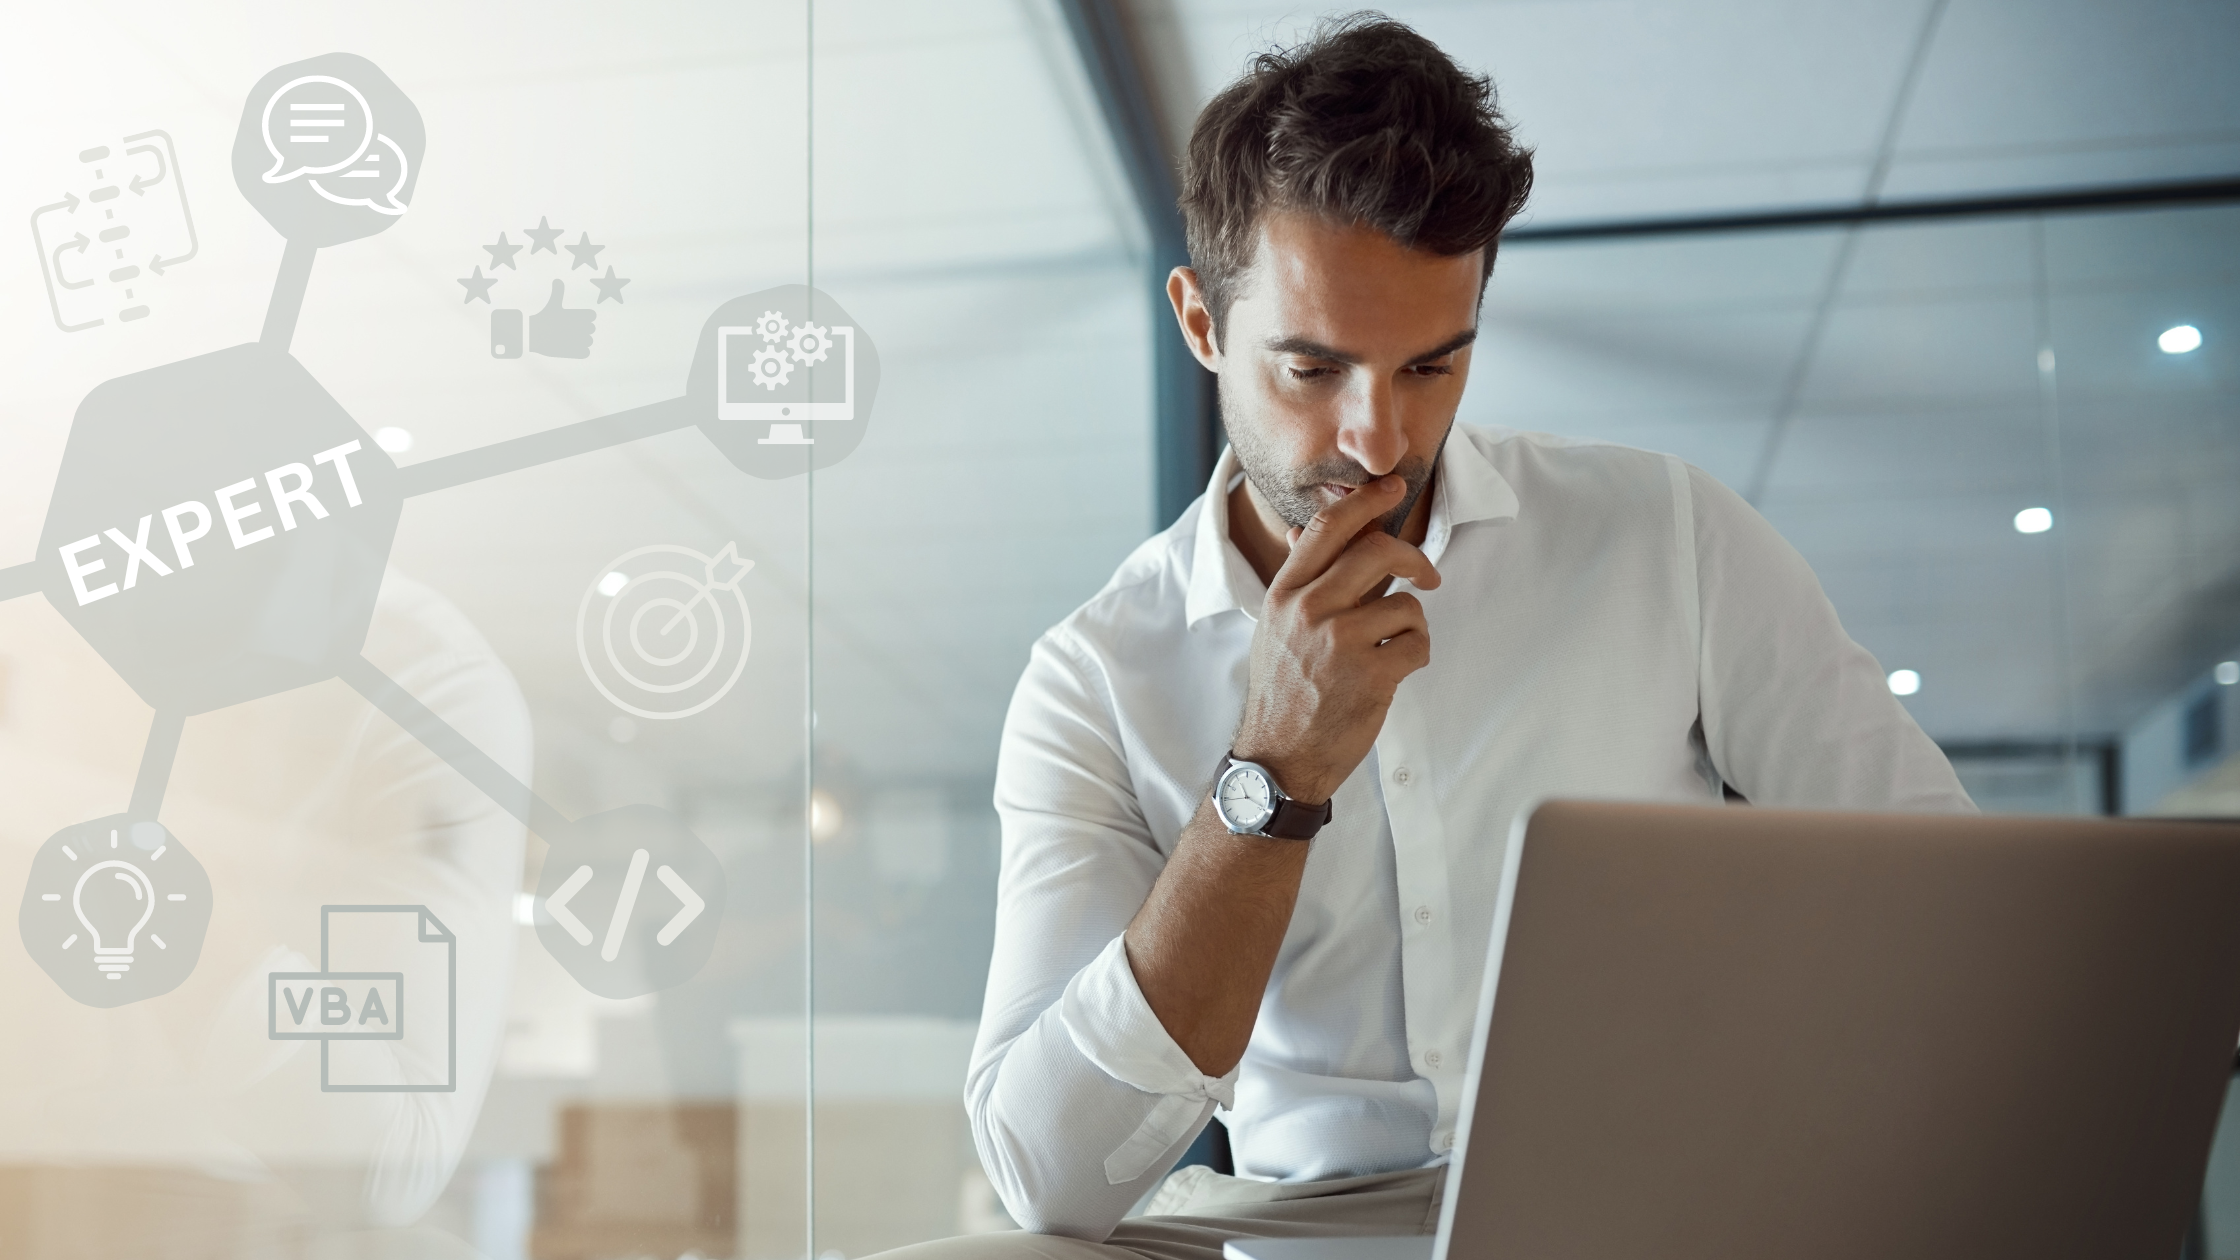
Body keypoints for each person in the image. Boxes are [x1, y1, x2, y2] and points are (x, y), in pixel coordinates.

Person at [892, 14, 1972, 1258]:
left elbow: (1943, 923)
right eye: (1312, 371)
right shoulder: (1093, 683)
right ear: (1199, 325)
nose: (1379, 440)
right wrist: (1273, 775)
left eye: (1431, 366)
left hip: (1668, 1221)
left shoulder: (1667, 536)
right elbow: (1052, 1174)